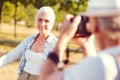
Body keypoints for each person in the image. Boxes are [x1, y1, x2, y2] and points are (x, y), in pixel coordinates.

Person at [39, 0, 120, 80]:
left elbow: (45, 78)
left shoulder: (102, 65)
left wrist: (63, 38)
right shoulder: (108, 64)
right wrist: (87, 45)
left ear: (95, 23)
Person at [0, 6, 57, 80]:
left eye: (46, 21)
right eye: (40, 20)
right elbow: (9, 57)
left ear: (52, 24)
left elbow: (57, 70)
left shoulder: (56, 44)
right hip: (22, 77)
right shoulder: (29, 40)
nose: (42, 24)